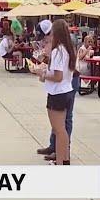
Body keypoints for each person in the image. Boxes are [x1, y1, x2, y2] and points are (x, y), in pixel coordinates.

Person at [38, 19, 75, 165]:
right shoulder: (67, 49)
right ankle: (65, 159)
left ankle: (60, 162)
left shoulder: (58, 50)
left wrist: (42, 74)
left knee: (59, 130)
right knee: (62, 129)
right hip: (65, 91)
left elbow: (58, 77)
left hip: (57, 93)